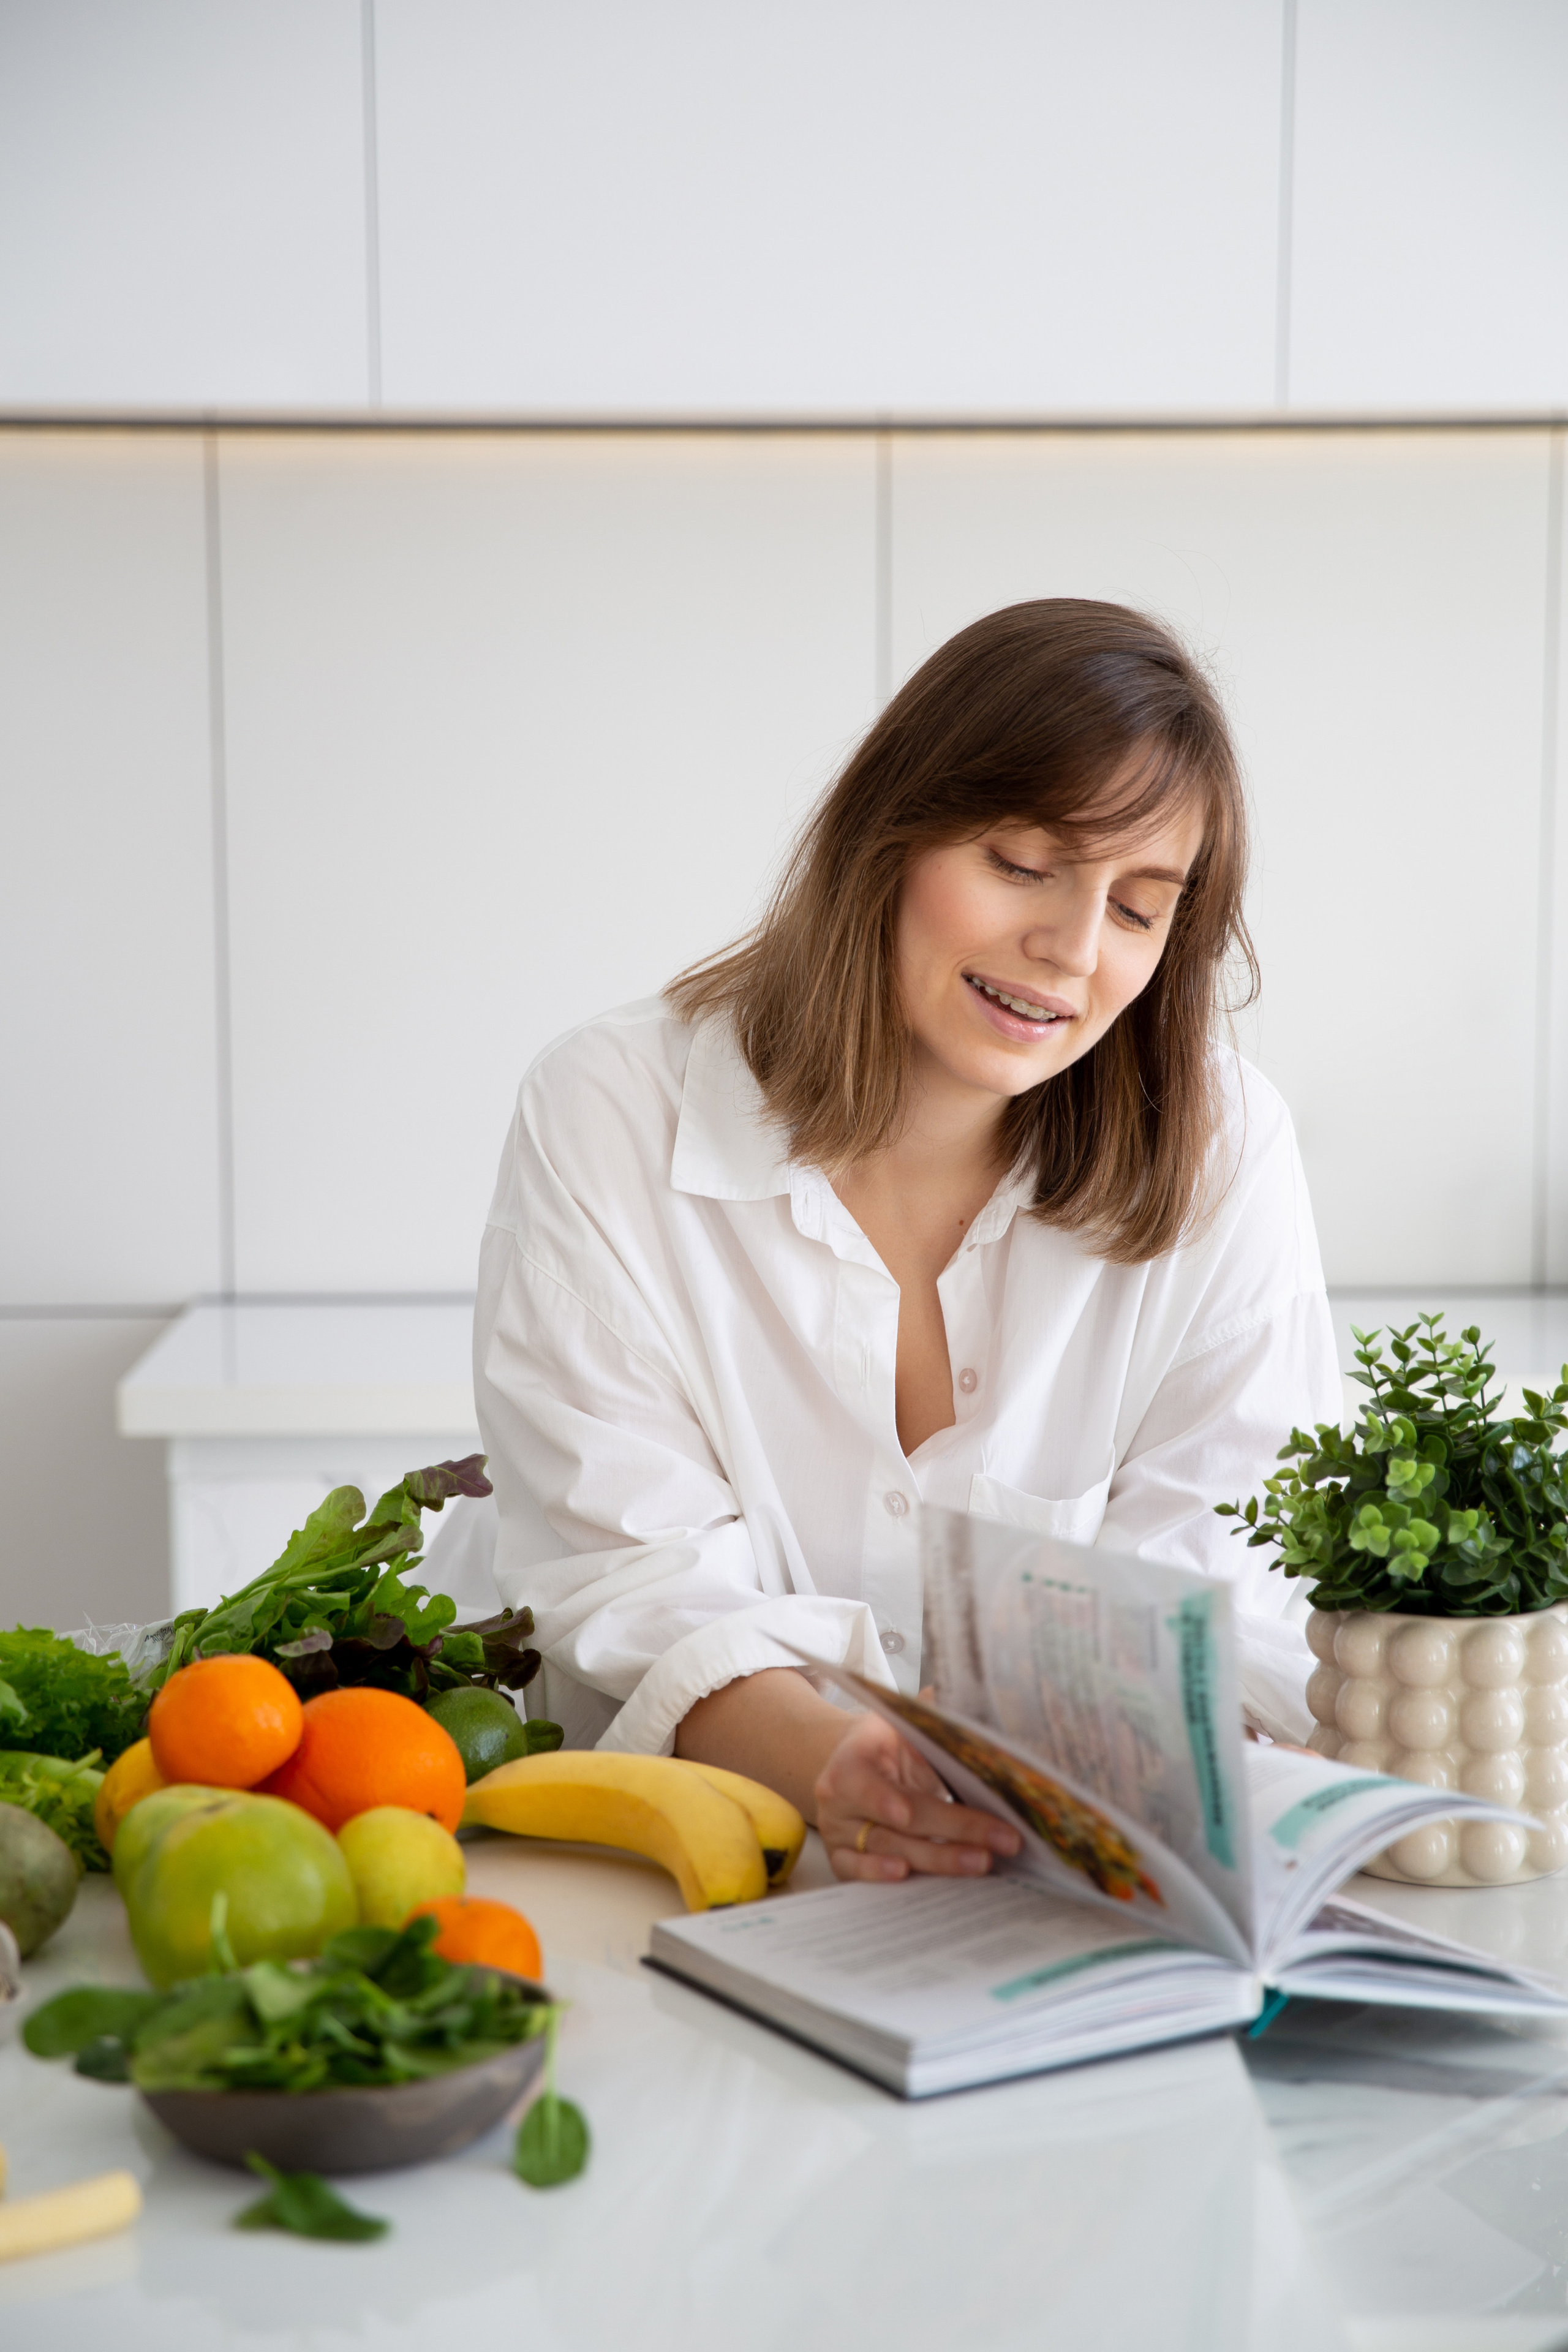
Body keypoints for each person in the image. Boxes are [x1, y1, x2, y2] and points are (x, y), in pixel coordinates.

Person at [473, 600, 1341, 1884]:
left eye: (1137, 909)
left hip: (1040, 1888)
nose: (1070, 948)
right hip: (675, 1864)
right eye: (1021, 862)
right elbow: (626, 1585)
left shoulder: (1222, 1148)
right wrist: (836, 1766)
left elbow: (1221, 1592)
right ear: (887, 831)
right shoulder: (606, 1111)